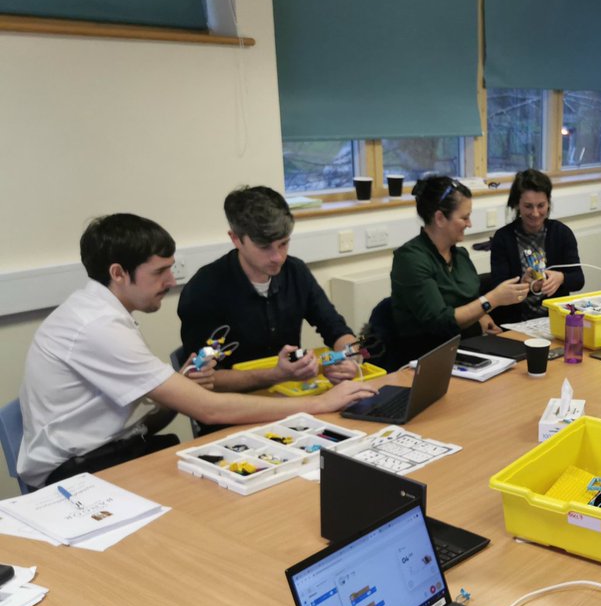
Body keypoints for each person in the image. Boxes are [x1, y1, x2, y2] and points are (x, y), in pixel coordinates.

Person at [17, 214, 375, 488]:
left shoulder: (103, 313)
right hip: (74, 474)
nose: (171, 282)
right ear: (118, 273)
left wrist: (179, 387)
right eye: (160, 272)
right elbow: (209, 409)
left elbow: (164, 408)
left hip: (117, 449)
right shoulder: (97, 327)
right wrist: (319, 405)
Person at [178, 186, 361, 393]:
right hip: (233, 410)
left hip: (292, 399)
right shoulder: (204, 289)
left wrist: (350, 360)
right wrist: (276, 375)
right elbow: (204, 379)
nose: (278, 257)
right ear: (236, 239)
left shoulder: (296, 272)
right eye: (264, 247)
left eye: (283, 244)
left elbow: (337, 330)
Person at [389, 176, 527, 363]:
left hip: (469, 349)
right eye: (464, 217)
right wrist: (492, 300)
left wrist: (483, 316)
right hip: (428, 360)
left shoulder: (460, 256)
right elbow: (440, 322)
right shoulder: (410, 260)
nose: (469, 224)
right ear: (439, 218)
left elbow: (469, 301)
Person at [488, 169, 584, 323]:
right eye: (528, 206)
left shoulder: (561, 233)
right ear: (517, 204)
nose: (535, 213)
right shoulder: (503, 238)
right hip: (516, 322)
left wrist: (561, 278)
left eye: (541, 205)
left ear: (548, 203)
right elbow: (498, 289)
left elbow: (578, 279)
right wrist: (522, 285)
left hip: (555, 320)